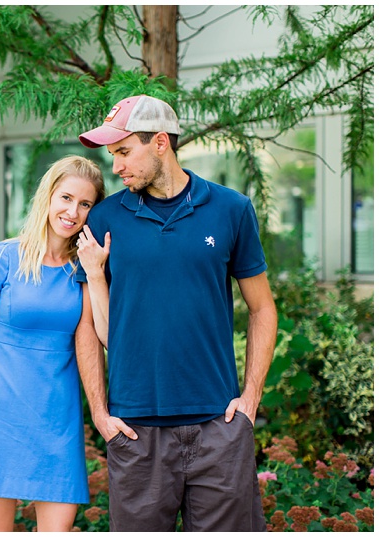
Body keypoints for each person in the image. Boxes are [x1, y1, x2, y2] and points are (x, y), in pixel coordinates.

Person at [73, 95, 278, 532]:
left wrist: (251, 398)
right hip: (133, 430)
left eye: (124, 152)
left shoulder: (231, 209)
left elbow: (262, 309)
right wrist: (99, 413)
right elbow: (87, 325)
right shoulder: (105, 217)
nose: (117, 167)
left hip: (218, 424)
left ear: (161, 142)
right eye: (113, 156)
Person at [0, 155, 106, 532]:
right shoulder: (2, 258)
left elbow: (102, 338)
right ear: (48, 197)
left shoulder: (83, 269)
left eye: (85, 204)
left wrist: (96, 273)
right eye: (66, 198)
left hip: (58, 421)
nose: (73, 211)